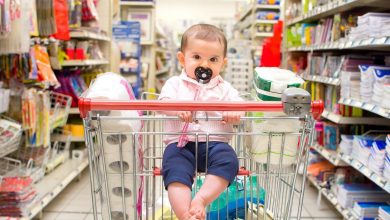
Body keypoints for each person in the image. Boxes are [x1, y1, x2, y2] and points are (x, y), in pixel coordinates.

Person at [158, 24, 243, 220]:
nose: (204, 64)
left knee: (229, 161)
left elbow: (240, 104)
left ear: (223, 63)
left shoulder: (225, 88)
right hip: (181, 144)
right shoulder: (174, 84)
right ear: (182, 59)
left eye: (213, 59)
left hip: (216, 144)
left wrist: (235, 112)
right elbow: (161, 104)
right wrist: (176, 107)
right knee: (174, 170)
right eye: (196, 57)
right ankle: (184, 214)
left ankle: (201, 200)